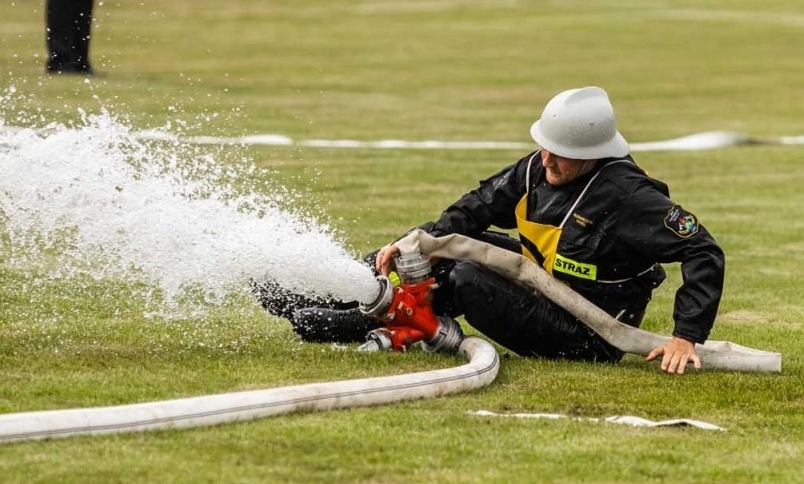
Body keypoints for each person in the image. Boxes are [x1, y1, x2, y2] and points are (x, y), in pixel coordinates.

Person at [257, 87, 726, 375]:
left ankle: (342, 322)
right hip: (538, 282)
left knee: (465, 279)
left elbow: (704, 251)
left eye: (560, 153)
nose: (547, 161)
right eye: (544, 148)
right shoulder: (538, 168)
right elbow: (475, 210)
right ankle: (310, 290)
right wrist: (410, 243)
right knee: (430, 249)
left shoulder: (630, 197)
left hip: (587, 331)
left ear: (595, 153)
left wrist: (687, 336)